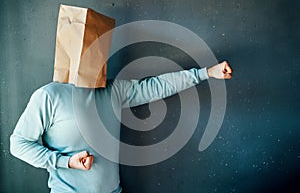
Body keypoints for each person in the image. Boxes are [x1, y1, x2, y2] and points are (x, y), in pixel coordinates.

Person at [10, 60, 232, 193]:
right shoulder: (50, 95)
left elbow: (156, 87)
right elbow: (18, 144)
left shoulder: (112, 90)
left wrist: (206, 73)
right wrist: (66, 162)